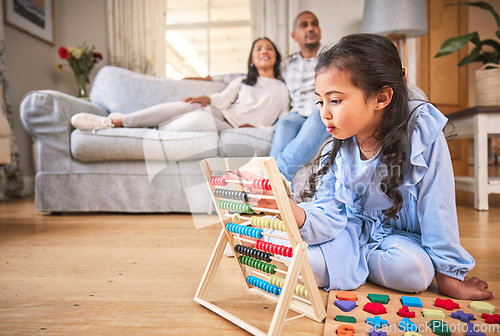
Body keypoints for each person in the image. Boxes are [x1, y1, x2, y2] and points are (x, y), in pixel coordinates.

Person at [242, 33, 494, 300]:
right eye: (320, 101)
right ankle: (332, 255)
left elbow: (438, 204)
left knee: (415, 272)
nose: (324, 113)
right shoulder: (339, 145)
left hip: (400, 240)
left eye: (335, 100)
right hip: (350, 231)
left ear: (381, 98)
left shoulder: (420, 129)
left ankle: (348, 261)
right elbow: (329, 213)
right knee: (311, 266)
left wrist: (448, 274)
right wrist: (294, 213)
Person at [71, 37, 290, 132]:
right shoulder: (242, 81)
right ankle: (116, 122)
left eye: (269, 48)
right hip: (224, 114)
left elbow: (283, 121)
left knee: (198, 118)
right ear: (252, 58)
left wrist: (258, 128)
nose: (264, 52)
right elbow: (222, 100)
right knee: (193, 106)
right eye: (259, 49)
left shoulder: (282, 89)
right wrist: (207, 99)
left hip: (235, 126)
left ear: (276, 57)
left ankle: (142, 124)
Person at [269, 11, 330, 183]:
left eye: (314, 24)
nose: (310, 28)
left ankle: (274, 178)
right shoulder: (286, 64)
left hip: (319, 110)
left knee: (319, 116)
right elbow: (254, 75)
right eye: (304, 25)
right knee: (284, 122)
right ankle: (274, 180)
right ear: (294, 36)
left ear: (319, 31)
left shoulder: (331, 58)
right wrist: (208, 77)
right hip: (296, 114)